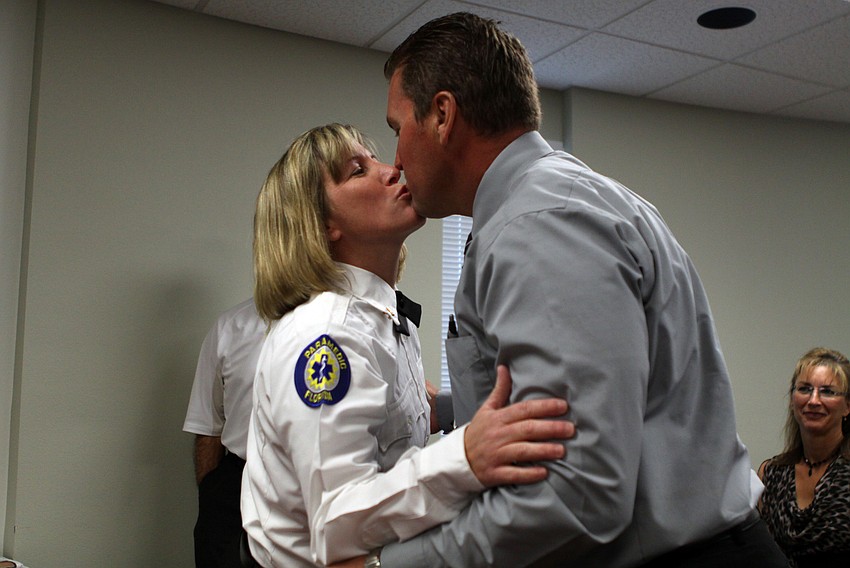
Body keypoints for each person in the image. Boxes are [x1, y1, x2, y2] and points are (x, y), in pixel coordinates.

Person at [362, 11, 790, 568]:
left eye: (398, 130)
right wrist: (439, 407)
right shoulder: (551, 202)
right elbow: (563, 398)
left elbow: (580, 492)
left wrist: (390, 566)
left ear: (443, 116)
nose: (395, 161)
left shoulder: (538, 225)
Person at [239, 123, 575, 567]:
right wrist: (466, 457)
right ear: (323, 224)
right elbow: (336, 523)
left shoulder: (384, 318)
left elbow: (384, 431)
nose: (392, 168)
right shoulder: (327, 336)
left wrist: (461, 409)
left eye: (376, 158)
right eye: (358, 170)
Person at [183, 298, 266, 568]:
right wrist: (212, 494)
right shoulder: (232, 326)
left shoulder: (342, 325)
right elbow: (208, 426)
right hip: (237, 484)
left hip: (313, 488)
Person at [758, 347, 850, 567]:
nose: (814, 400)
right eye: (805, 389)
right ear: (792, 400)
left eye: (828, 391)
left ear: (847, 406)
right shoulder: (770, 474)